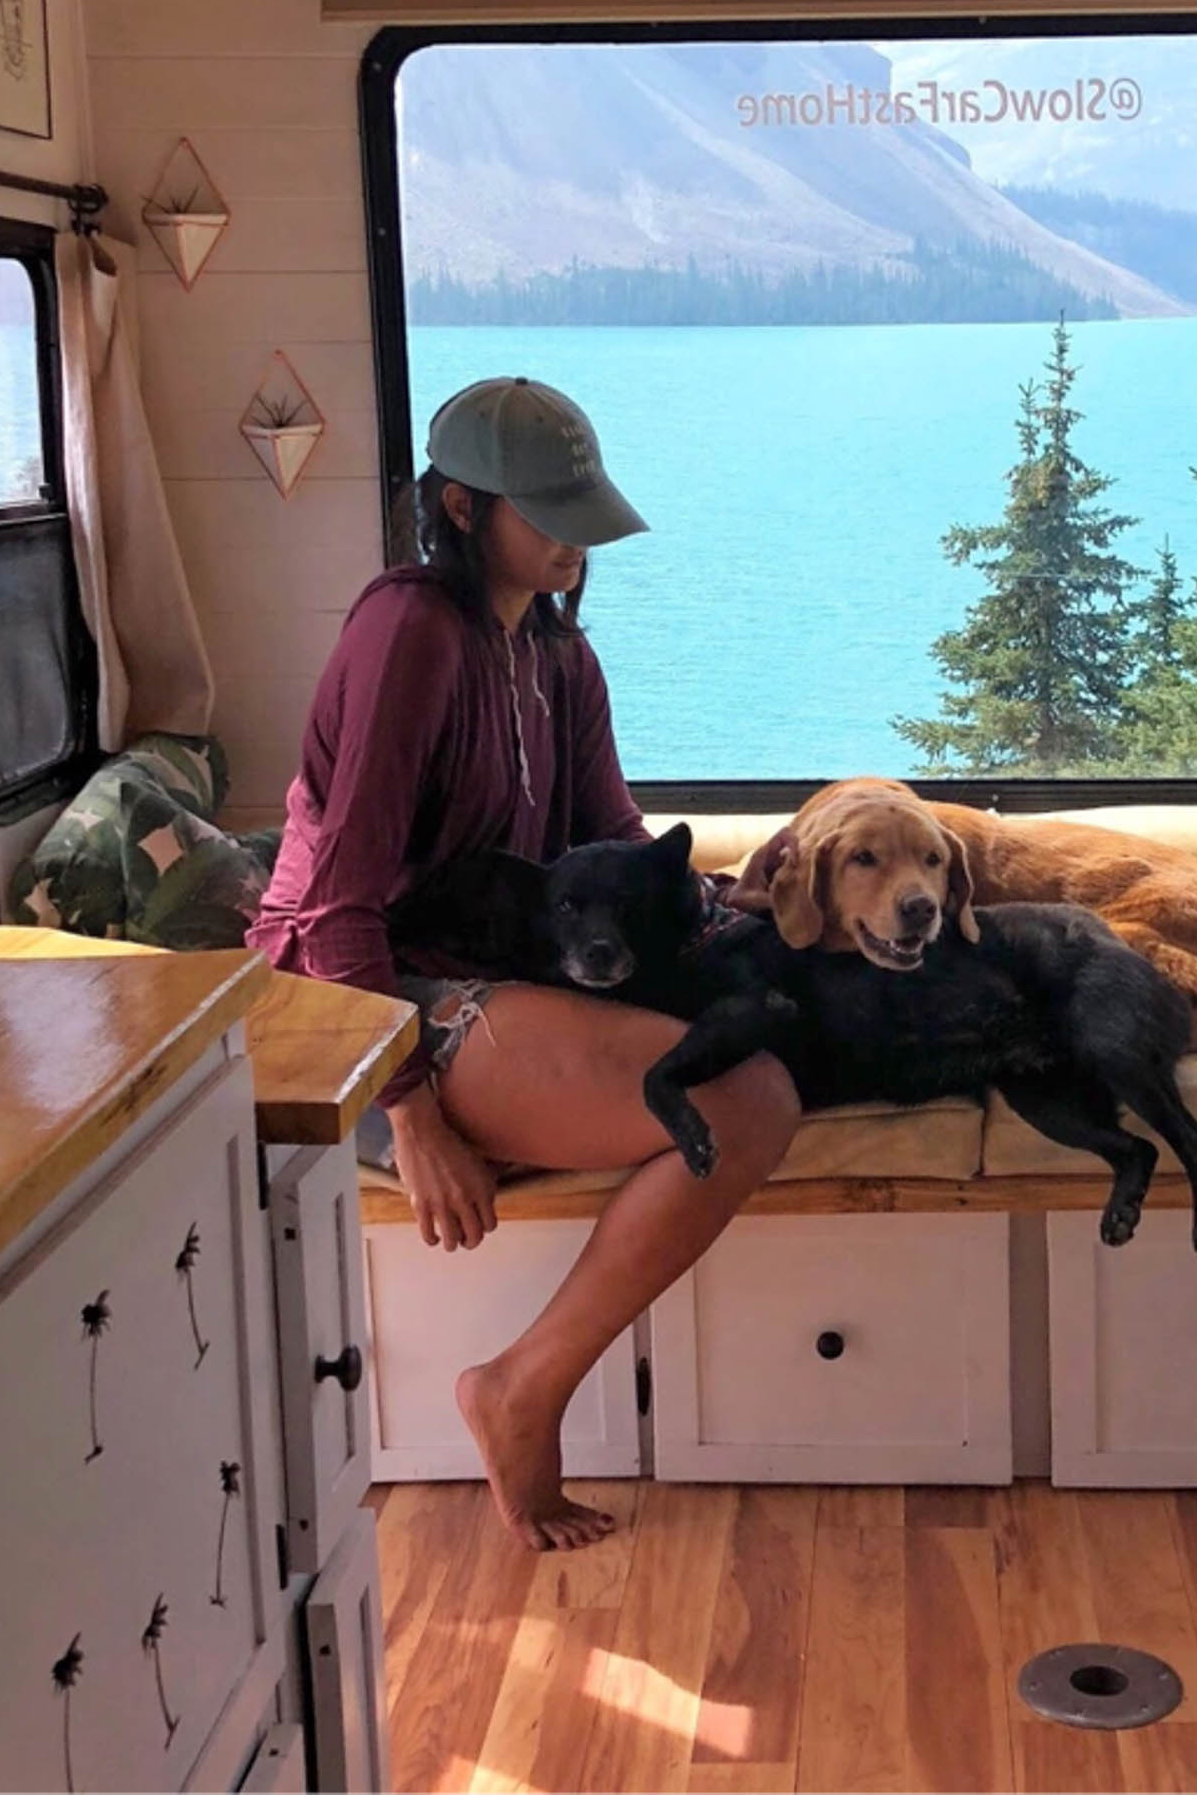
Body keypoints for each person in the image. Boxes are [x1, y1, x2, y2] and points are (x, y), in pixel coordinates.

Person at [248, 377, 800, 1550]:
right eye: (547, 512)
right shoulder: (408, 633)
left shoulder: (558, 656)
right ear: (458, 507)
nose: (574, 537)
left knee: (758, 1075)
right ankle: (518, 1393)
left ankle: (519, 1384)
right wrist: (411, 1114)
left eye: (581, 510)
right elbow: (341, 905)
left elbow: (614, 844)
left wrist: (729, 898)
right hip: (346, 1005)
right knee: (736, 1098)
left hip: (478, 984)